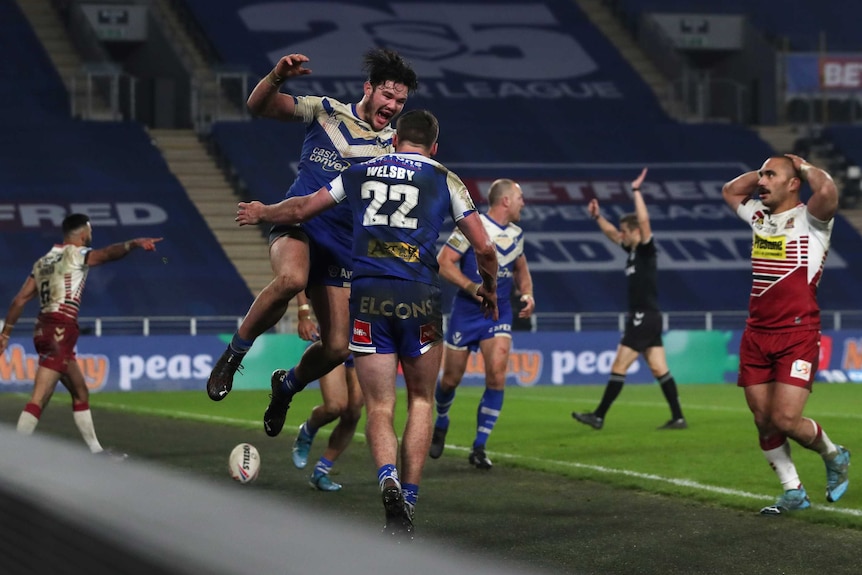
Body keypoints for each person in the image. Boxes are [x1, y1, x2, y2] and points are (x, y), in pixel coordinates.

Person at [236, 109, 498, 539]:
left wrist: (264, 210)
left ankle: (387, 479)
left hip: (367, 296)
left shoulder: (362, 170)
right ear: (434, 147)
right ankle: (408, 499)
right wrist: (487, 286)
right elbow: (484, 248)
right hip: (417, 297)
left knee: (378, 406)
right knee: (419, 401)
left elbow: (302, 207)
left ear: (395, 141)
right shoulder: (446, 178)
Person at [206, 48, 418, 436]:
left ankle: (285, 387)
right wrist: (276, 76)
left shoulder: (394, 145)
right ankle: (233, 354)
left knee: (337, 347)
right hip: (297, 224)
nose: (393, 105)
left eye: (401, 101)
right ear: (368, 89)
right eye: (388, 95)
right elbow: (259, 107)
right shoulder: (325, 110)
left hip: (341, 246)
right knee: (291, 280)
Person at [722, 154, 850, 515]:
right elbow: (731, 191)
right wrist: (767, 173)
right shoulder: (759, 216)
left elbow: (826, 189)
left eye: (770, 176)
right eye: (760, 176)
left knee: (785, 420)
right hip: (756, 334)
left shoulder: (812, 219)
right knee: (763, 420)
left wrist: (801, 166)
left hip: (797, 333)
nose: (761, 182)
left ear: (794, 184)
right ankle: (792, 490)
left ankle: (834, 455)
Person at [0, 213, 162, 455]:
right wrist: (134, 243)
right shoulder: (75, 255)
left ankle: (96, 452)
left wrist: (5, 334)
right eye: (90, 231)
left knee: (80, 391)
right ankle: (10, 457)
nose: (91, 235)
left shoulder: (43, 261)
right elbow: (107, 254)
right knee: (39, 397)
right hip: (59, 330)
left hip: (44, 329)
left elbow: (20, 299)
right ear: (83, 234)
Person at [428, 179, 534, 469]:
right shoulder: (472, 228)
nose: (524, 203)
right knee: (450, 380)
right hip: (466, 313)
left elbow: (521, 269)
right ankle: (442, 419)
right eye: (520, 198)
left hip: (497, 316)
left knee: (497, 376)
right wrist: (473, 287)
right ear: (506, 201)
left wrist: (527, 293)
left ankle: (479, 446)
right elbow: (444, 262)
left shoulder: (516, 235)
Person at [571, 168, 686, 431]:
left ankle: (598, 415)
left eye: (626, 231)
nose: (621, 235)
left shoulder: (645, 249)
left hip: (643, 316)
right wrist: (598, 217)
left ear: (635, 231)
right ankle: (678, 417)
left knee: (619, 364)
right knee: (659, 369)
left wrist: (636, 191)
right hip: (650, 316)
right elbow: (612, 234)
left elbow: (644, 222)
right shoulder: (633, 251)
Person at [291, 291, 363, 492]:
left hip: (365, 335)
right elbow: (301, 275)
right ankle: (307, 430)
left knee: (354, 411)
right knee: (335, 406)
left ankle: (321, 471)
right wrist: (304, 314)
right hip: (335, 334)